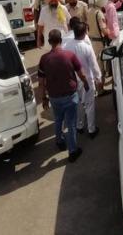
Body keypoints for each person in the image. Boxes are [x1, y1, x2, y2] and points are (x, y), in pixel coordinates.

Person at [38, 29, 89, 162]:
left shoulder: (44, 59)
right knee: (71, 123)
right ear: (61, 40)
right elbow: (81, 74)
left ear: (49, 42)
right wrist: (86, 83)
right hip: (70, 96)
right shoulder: (70, 55)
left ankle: (59, 141)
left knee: (58, 119)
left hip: (54, 97)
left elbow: (41, 83)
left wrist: (44, 98)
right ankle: (73, 151)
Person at [62, 22, 102, 139]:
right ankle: (91, 129)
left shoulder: (67, 46)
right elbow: (94, 66)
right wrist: (98, 79)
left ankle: (79, 126)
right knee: (89, 104)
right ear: (85, 33)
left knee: (78, 104)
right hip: (87, 80)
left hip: (73, 80)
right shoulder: (87, 47)